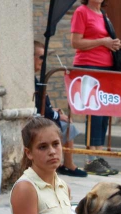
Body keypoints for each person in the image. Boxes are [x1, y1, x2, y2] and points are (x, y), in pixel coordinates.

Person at [71, 0, 119, 176]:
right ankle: (90, 158)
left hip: (106, 68)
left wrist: (112, 44)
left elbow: (105, 41)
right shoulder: (81, 11)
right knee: (94, 112)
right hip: (90, 66)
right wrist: (103, 42)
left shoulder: (102, 14)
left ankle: (99, 156)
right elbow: (75, 42)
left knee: (103, 112)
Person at [33, 41, 87, 178]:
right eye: (41, 57)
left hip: (42, 115)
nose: (43, 61)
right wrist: (56, 116)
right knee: (67, 125)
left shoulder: (34, 78)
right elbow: (37, 105)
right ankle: (68, 165)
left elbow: (41, 103)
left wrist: (53, 110)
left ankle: (66, 164)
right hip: (37, 118)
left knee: (66, 123)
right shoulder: (30, 80)